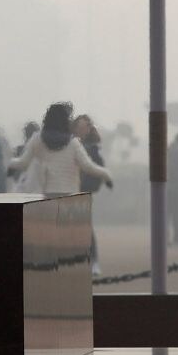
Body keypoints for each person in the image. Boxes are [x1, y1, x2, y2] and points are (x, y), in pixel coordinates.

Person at [10, 102, 113, 198]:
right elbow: (88, 166)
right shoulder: (73, 143)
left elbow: (23, 162)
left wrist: (11, 165)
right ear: (66, 121)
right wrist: (106, 176)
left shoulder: (37, 140)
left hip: (46, 195)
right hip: (69, 195)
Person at [71, 113, 109, 274]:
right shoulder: (69, 144)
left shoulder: (93, 149)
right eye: (78, 126)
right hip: (67, 190)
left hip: (83, 191)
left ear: (89, 128)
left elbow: (99, 171)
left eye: (84, 126)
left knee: (86, 226)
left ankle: (94, 261)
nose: (81, 130)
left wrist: (88, 188)